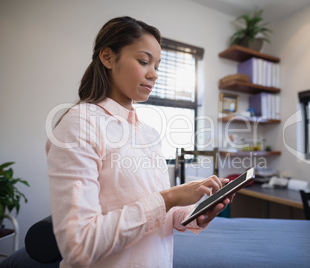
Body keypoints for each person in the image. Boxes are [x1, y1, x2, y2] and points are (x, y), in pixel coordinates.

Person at [46, 16, 232, 267]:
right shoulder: (79, 125)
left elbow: (158, 213)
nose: (154, 74)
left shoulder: (147, 133)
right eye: (144, 61)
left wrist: (194, 214)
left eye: (157, 66)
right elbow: (80, 245)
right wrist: (170, 197)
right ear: (108, 57)